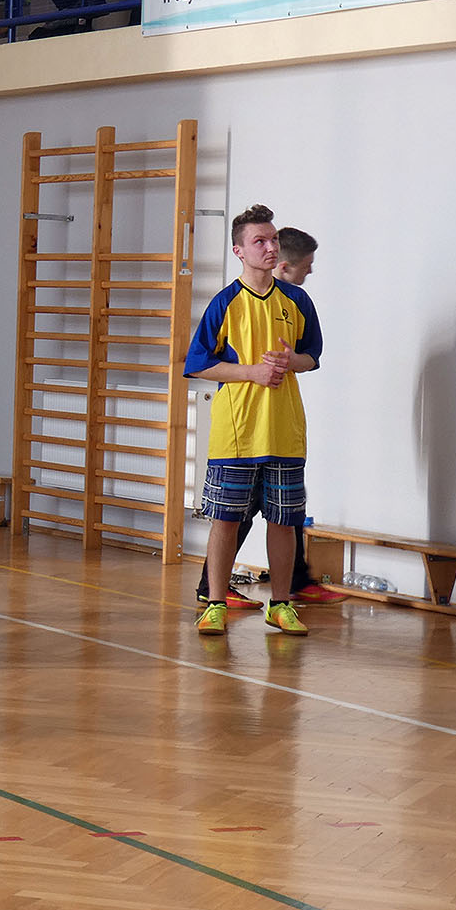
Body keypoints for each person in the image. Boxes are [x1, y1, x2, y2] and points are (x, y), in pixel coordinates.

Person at [185, 204, 323, 639]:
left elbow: (312, 356)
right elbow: (198, 364)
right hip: (237, 433)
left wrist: (291, 361)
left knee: (285, 522)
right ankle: (214, 603)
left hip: (284, 430)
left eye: (273, 239)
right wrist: (252, 372)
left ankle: (280, 605)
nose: (270, 247)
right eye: (259, 241)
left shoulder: (297, 300)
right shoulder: (225, 303)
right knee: (226, 520)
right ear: (239, 251)